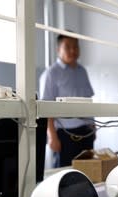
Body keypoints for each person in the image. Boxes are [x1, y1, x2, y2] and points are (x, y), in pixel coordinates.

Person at [40, 34, 95, 168]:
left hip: (85, 131)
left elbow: (88, 100)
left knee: (87, 172)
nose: (73, 50)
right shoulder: (51, 74)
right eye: (68, 47)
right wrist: (52, 136)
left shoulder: (82, 71)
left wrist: (93, 126)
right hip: (65, 134)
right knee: (65, 174)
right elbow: (46, 108)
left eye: (75, 46)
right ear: (58, 50)